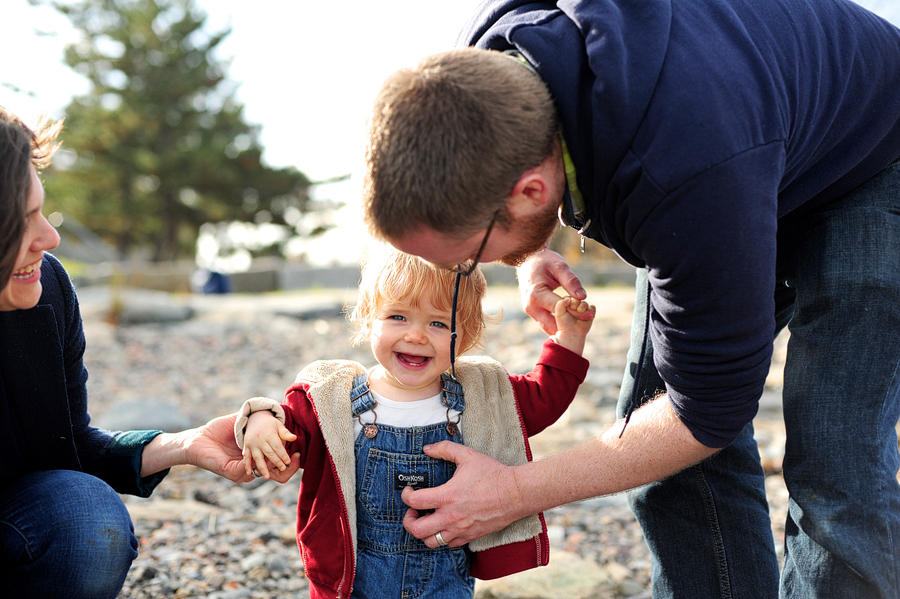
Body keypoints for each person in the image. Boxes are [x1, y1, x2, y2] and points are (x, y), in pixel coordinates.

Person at [360, 0, 900, 597]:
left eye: (466, 254)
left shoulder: (681, 170)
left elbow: (705, 412)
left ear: (529, 189)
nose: (466, 271)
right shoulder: (482, 67)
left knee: (836, 468)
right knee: (659, 445)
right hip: (740, 141)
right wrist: (527, 249)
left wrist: (512, 492)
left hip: (876, 145)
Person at [0, 106, 299, 598]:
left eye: (43, 210)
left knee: (86, 518)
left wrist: (185, 445)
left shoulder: (48, 287)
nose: (49, 238)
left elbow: (71, 450)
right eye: (22, 221)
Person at [233, 248, 595, 599]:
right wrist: (262, 418)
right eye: (397, 317)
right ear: (368, 317)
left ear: (465, 336)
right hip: (356, 579)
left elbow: (543, 399)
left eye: (438, 323)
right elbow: (287, 430)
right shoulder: (336, 400)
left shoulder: (479, 396)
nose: (415, 335)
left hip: (446, 580)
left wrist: (570, 338)